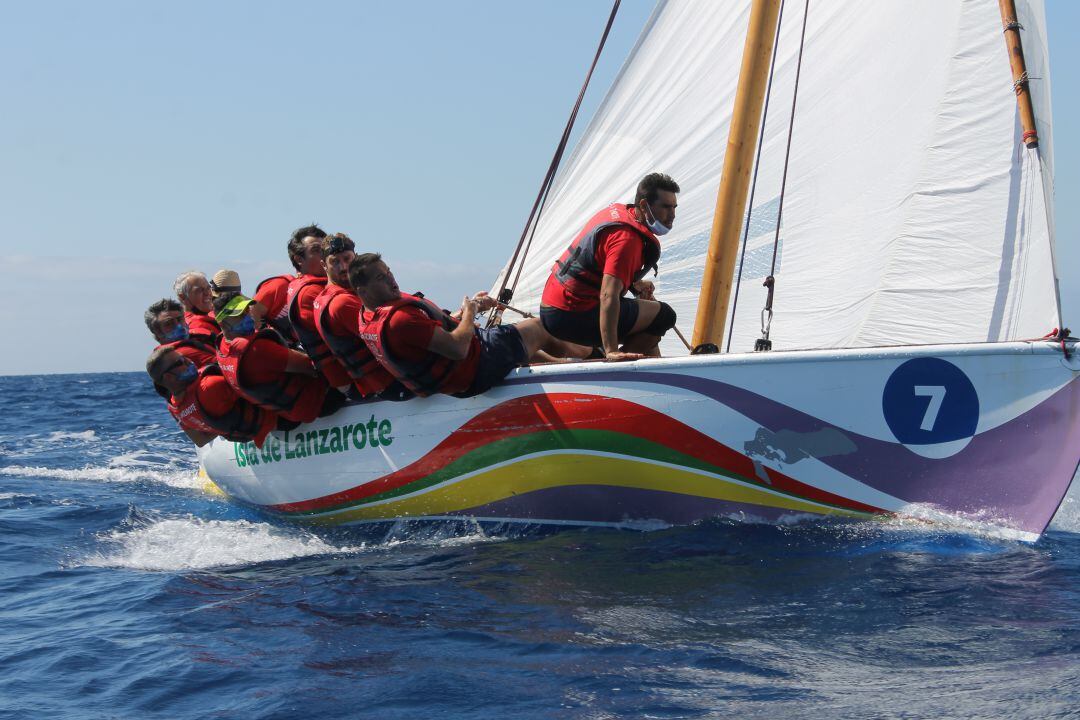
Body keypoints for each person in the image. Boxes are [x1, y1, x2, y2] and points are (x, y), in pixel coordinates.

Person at [349, 253, 561, 398]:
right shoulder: (400, 319)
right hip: (474, 370)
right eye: (380, 277)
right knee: (538, 328)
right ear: (362, 291)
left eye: (389, 272)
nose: (391, 279)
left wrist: (462, 312)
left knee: (527, 350)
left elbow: (430, 334)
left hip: (455, 381)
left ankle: (565, 366)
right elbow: (458, 348)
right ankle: (591, 357)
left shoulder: (366, 318)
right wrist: (470, 311)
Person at [540, 172, 680, 361]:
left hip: (552, 307)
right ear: (644, 206)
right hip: (569, 315)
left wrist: (632, 283)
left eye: (674, 207)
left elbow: (599, 265)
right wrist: (611, 350)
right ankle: (611, 365)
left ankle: (641, 369)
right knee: (664, 316)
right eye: (665, 207)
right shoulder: (627, 239)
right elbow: (608, 295)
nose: (672, 215)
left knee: (648, 319)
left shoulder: (618, 213)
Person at [213, 291, 346, 424]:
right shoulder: (258, 349)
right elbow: (312, 366)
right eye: (240, 315)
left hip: (287, 412)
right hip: (320, 402)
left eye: (247, 310)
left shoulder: (222, 348)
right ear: (223, 324)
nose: (248, 317)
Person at [313, 234, 409, 400]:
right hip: (392, 383)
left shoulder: (330, 296)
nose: (343, 267)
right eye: (334, 262)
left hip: (382, 382)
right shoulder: (342, 302)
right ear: (323, 265)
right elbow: (393, 335)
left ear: (355, 258)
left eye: (347, 259)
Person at [146, 346, 277, 448]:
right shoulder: (210, 385)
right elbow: (265, 389)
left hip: (252, 436)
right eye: (181, 362)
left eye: (185, 357)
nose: (189, 361)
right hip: (280, 423)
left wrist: (223, 426)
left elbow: (200, 440)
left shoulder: (175, 409)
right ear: (168, 377)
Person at [286, 229, 354, 390]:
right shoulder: (312, 293)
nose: (325, 254)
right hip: (349, 380)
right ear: (299, 259)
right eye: (317, 251)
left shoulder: (315, 286)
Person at [143, 298, 216, 369]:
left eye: (179, 319)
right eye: (169, 323)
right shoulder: (179, 355)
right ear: (157, 332)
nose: (179, 326)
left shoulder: (199, 338)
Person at [173, 270, 221, 344]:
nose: (207, 293)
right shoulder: (195, 328)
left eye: (208, 288)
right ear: (182, 297)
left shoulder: (211, 317)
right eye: (199, 290)